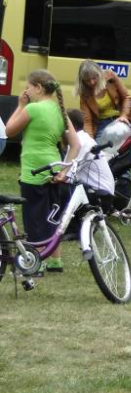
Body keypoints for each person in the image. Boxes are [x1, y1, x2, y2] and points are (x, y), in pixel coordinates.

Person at [6, 70, 80, 272]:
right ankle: (55, 261)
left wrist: (20, 105)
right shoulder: (60, 111)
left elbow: (9, 130)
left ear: (38, 88)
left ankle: (36, 263)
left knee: (34, 218)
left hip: (34, 170)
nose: (26, 91)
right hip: (55, 170)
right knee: (51, 216)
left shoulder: (32, 109)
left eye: (28, 87)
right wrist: (65, 171)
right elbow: (75, 145)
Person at [76, 60, 131, 140]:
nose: (92, 82)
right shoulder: (84, 93)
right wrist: (90, 140)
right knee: (100, 148)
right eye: (87, 80)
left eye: (94, 78)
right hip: (102, 124)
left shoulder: (110, 77)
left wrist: (124, 115)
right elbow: (87, 121)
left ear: (99, 74)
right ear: (83, 81)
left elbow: (126, 97)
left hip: (119, 118)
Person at [66, 109, 115, 203]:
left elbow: (69, 174)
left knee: (59, 188)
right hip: (97, 191)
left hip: (100, 196)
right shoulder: (81, 138)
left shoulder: (80, 142)